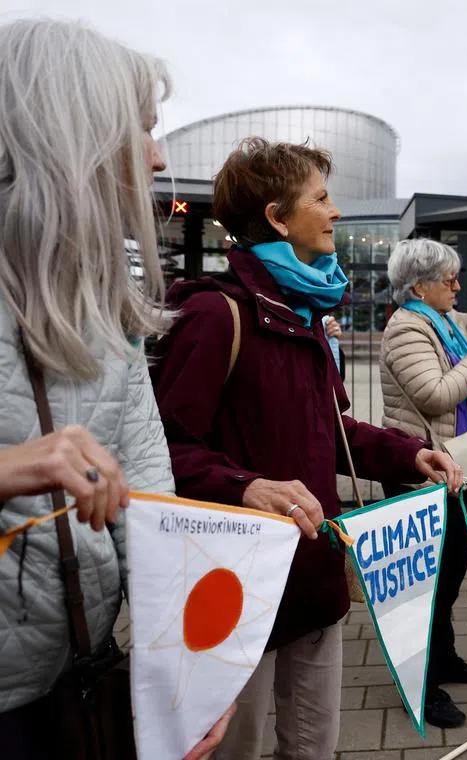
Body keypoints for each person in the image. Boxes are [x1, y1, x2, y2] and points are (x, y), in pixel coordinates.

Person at [150, 138, 461, 759]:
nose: (335, 212)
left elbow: (334, 428)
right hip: (237, 591)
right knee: (234, 749)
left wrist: (407, 455)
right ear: (276, 217)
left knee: (313, 747)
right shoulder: (218, 316)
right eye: (320, 198)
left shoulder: (306, 313)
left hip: (316, 578)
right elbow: (162, 453)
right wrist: (245, 486)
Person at [0, 19, 227, 759]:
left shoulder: (110, 307)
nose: (159, 156)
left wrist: (179, 669)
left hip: (71, 683)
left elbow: (151, 499)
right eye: (143, 129)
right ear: (70, 131)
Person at [378, 237, 467, 729]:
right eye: (448, 278)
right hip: (421, 476)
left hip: (453, 468)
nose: (458, 284)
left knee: (449, 573)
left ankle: (444, 657)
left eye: (460, 275)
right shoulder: (407, 329)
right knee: (428, 585)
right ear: (418, 286)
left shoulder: (440, 321)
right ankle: (422, 685)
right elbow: (435, 395)